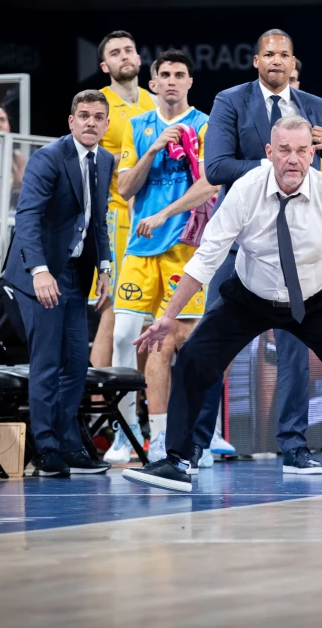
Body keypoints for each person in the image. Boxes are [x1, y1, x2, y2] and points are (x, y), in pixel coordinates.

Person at [122, 117, 322, 492]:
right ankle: (177, 460)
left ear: (312, 154)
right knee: (194, 357)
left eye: (301, 151)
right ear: (269, 153)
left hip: (313, 302)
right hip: (249, 296)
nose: (293, 159)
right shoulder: (245, 190)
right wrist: (168, 316)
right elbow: (206, 259)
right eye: (284, 150)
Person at [199, 29, 322, 473]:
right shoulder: (231, 101)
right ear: (255, 61)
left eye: (284, 55)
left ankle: (293, 448)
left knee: (294, 352)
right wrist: (282, 164)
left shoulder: (316, 107)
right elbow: (216, 168)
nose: (276, 61)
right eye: (268, 54)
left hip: (299, 250)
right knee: (213, 345)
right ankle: (194, 447)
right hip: (239, 244)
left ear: (293, 62)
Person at [104, 50, 218, 464]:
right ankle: (126, 434)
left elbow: (210, 186)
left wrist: (166, 213)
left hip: (185, 250)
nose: (171, 81)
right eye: (164, 74)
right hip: (139, 249)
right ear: (152, 84)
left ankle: (182, 438)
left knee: (183, 345)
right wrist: (152, 149)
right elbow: (126, 189)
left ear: (190, 82)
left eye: (179, 75)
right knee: (122, 339)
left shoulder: (206, 126)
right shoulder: (137, 127)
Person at [2, 90, 115, 477]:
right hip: (41, 274)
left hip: (76, 275)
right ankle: (46, 447)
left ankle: (68, 442)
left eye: (98, 117)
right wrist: (39, 271)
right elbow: (27, 218)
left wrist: (105, 268)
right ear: (71, 121)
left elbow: (98, 220)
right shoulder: (48, 157)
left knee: (76, 365)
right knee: (47, 362)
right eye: (83, 115)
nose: (90, 122)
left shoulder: (106, 159)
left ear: (106, 124)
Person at [88, 31, 158, 373]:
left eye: (129, 50)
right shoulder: (96, 103)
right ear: (105, 65)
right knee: (113, 309)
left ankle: (137, 400)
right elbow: (85, 154)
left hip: (150, 217)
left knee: (145, 312)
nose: (124, 56)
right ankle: (100, 409)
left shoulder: (154, 101)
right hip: (113, 217)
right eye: (115, 53)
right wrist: (127, 161)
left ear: (140, 58)